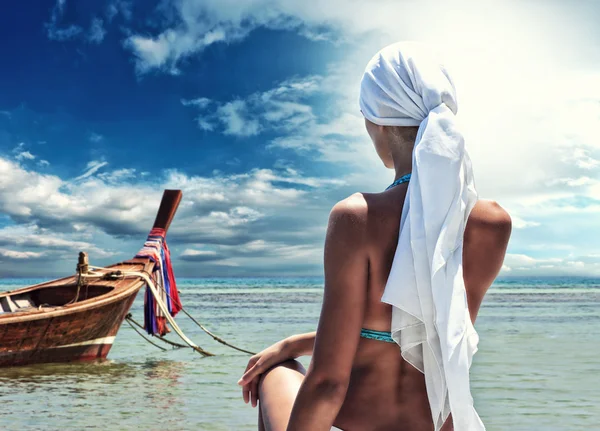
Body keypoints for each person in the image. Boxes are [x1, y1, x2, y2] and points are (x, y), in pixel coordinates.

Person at [238, 41, 512, 431]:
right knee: (285, 356)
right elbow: (422, 328)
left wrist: (287, 353)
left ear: (378, 123)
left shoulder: (357, 218)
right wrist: (294, 342)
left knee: (278, 373)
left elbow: (329, 383)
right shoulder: (492, 223)